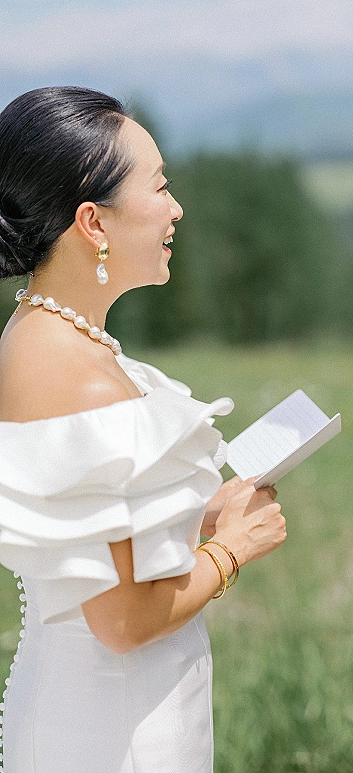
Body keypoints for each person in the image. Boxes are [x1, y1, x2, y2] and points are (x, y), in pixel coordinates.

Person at [0, 86, 287, 773]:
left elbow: (93, 539)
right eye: (158, 186)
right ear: (93, 222)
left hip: (93, 712)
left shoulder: (48, 340)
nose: (175, 208)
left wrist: (195, 512)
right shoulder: (77, 376)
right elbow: (124, 620)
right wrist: (232, 548)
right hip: (115, 732)